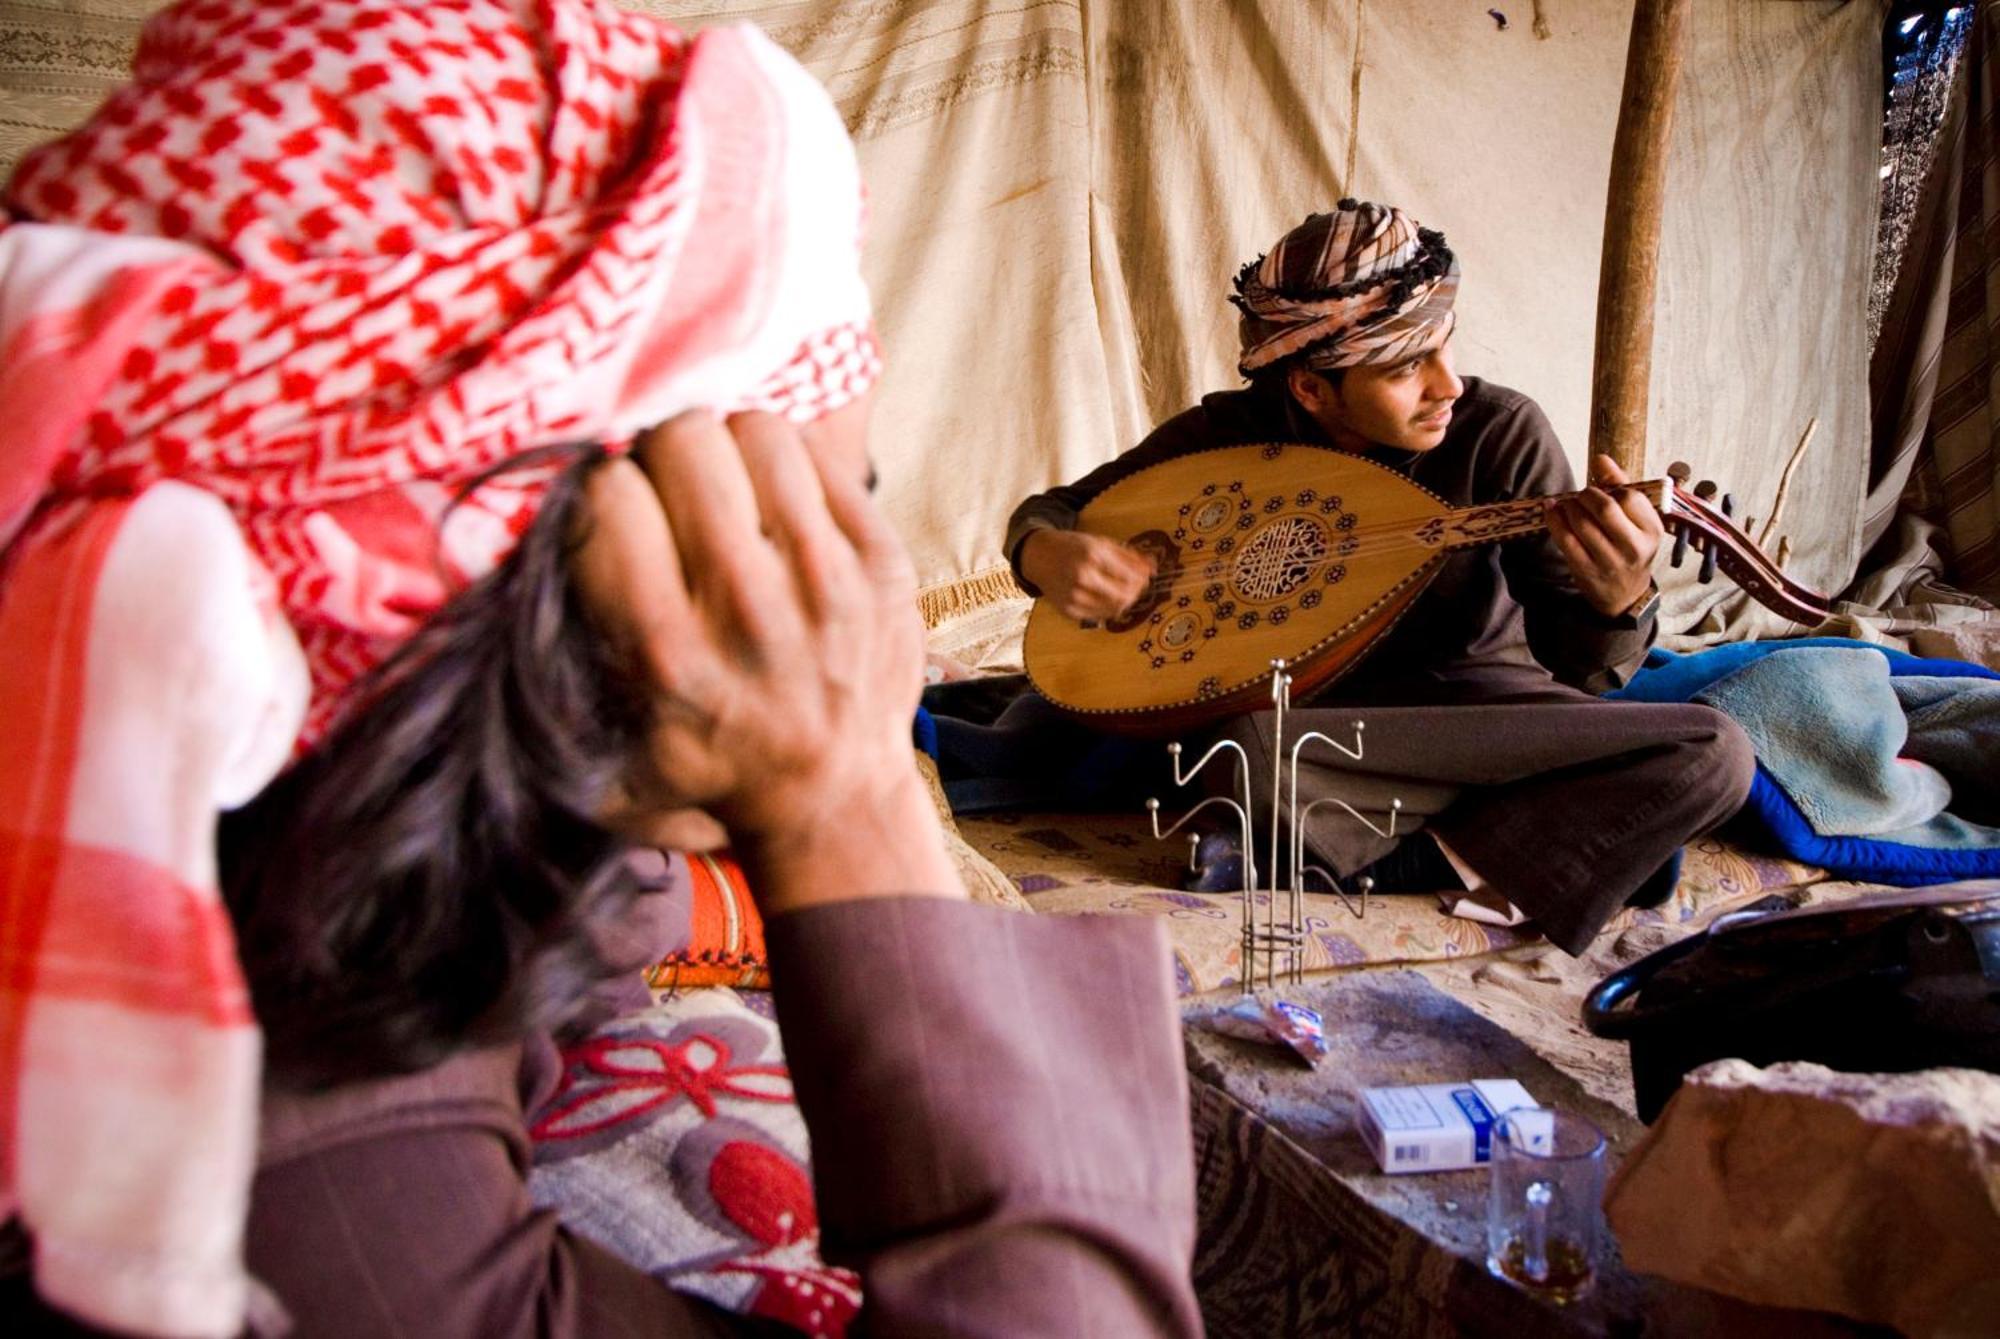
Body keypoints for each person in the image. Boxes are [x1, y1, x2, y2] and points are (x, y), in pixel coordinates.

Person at [0, 3, 1199, 1335]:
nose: (865, 608)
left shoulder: (206, 731)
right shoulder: (272, 1169)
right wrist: (846, 800)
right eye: (786, 535)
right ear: (528, 562)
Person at [998, 201, 1756, 954]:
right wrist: (1047, 552)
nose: (1448, 386)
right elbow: (1057, 509)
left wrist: (1621, 597)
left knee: (1716, 753)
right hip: (1314, 731)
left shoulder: (1499, 432)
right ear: (1309, 387)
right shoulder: (1229, 436)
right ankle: (1526, 847)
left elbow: (1585, 673)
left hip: (1473, 718)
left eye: (1445, 348)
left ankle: (1414, 856)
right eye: (1405, 367)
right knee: (1249, 753)